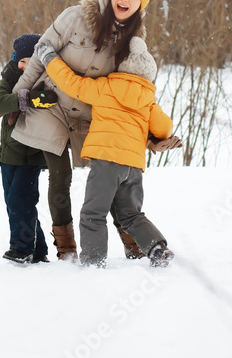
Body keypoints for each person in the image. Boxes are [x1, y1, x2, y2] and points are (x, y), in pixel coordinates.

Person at [10, 0, 155, 260]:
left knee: (108, 177)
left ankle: (133, 242)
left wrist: (149, 131)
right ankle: (66, 248)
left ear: (142, 4)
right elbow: (42, 52)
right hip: (52, 104)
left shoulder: (134, 42)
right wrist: (19, 97)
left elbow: (133, 89)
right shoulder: (76, 16)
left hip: (91, 114)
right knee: (60, 176)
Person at [33, 35, 182, 267]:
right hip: (133, 167)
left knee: (93, 213)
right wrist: (156, 136)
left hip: (106, 163)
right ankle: (157, 249)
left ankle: (93, 263)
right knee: (131, 215)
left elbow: (71, 83)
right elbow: (164, 127)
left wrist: (49, 58)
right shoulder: (148, 100)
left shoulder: (105, 87)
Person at [0, 34, 57, 265]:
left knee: (21, 200)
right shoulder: (9, 78)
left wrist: (29, 98)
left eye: (31, 60)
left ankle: (21, 248)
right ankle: (39, 250)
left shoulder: (45, 78)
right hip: (8, 154)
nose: (25, 65)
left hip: (31, 154)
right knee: (15, 202)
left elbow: (49, 99)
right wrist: (20, 99)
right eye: (22, 61)